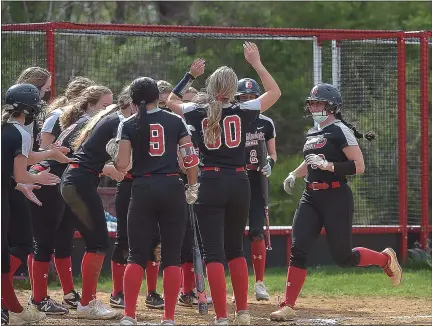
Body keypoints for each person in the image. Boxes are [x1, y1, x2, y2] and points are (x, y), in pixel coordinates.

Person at [167, 41, 281, 325]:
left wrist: (189, 76)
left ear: (211, 86)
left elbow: (170, 100)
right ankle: (242, 312)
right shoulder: (245, 109)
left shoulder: (196, 110)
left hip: (210, 181)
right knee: (235, 250)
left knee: (213, 253)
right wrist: (255, 63)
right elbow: (275, 92)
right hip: (240, 181)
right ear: (234, 89)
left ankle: (221, 316)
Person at [270, 83, 402, 321]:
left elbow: (358, 166)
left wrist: (330, 166)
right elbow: (310, 161)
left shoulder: (340, 130)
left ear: (331, 106)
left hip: (336, 196)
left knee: (343, 257)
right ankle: (288, 305)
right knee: (298, 249)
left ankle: (385, 259)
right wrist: (293, 174)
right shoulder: (313, 132)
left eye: (318, 103)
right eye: (311, 103)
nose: (313, 107)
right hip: (310, 196)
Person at [115, 77, 199, 326]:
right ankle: (169, 317)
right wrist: (193, 186)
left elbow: (121, 166)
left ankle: (129, 314)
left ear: (133, 99)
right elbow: (190, 157)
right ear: (157, 97)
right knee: (172, 256)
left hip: (142, 188)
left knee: (137, 255)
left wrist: (114, 152)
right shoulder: (175, 120)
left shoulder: (129, 123)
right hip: (172, 187)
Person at [27, 83, 110, 315]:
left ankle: (63, 294)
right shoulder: (87, 124)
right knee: (41, 243)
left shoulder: (87, 123)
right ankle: (38, 298)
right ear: (90, 105)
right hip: (48, 181)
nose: (108, 109)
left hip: (59, 184)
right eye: (104, 105)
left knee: (61, 240)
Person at [1, 83, 71, 326]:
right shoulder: (21, 132)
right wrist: (37, 178)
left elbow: (24, 157)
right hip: (5, 195)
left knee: (18, 244)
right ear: (28, 108)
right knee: (14, 249)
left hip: (7, 191)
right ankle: (13, 309)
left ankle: (10, 307)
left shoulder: (8, 128)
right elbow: (21, 172)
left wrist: (49, 153)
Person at [59, 85, 128, 320]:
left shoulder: (109, 118)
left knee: (95, 242)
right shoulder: (119, 121)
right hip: (78, 183)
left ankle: (87, 301)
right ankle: (87, 303)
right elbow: (121, 164)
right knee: (98, 242)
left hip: (77, 181)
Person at [108, 87, 165, 311]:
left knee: (155, 239)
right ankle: (117, 292)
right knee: (124, 238)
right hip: (129, 184)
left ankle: (152, 292)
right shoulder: (122, 125)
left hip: (152, 185)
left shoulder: (158, 123)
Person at [6, 67, 52, 292]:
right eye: (45, 91)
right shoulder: (20, 130)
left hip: (11, 185)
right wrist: (36, 177)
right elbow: (21, 166)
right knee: (22, 242)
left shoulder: (8, 123)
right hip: (9, 187)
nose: (46, 96)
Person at [234, 78, 277, 302]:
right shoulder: (232, 120)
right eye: (243, 98)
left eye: (252, 98)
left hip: (256, 179)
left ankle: (259, 282)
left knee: (257, 231)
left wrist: (270, 163)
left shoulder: (267, 123)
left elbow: (273, 153)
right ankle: (235, 282)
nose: (248, 101)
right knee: (232, 232)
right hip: (235, 178)